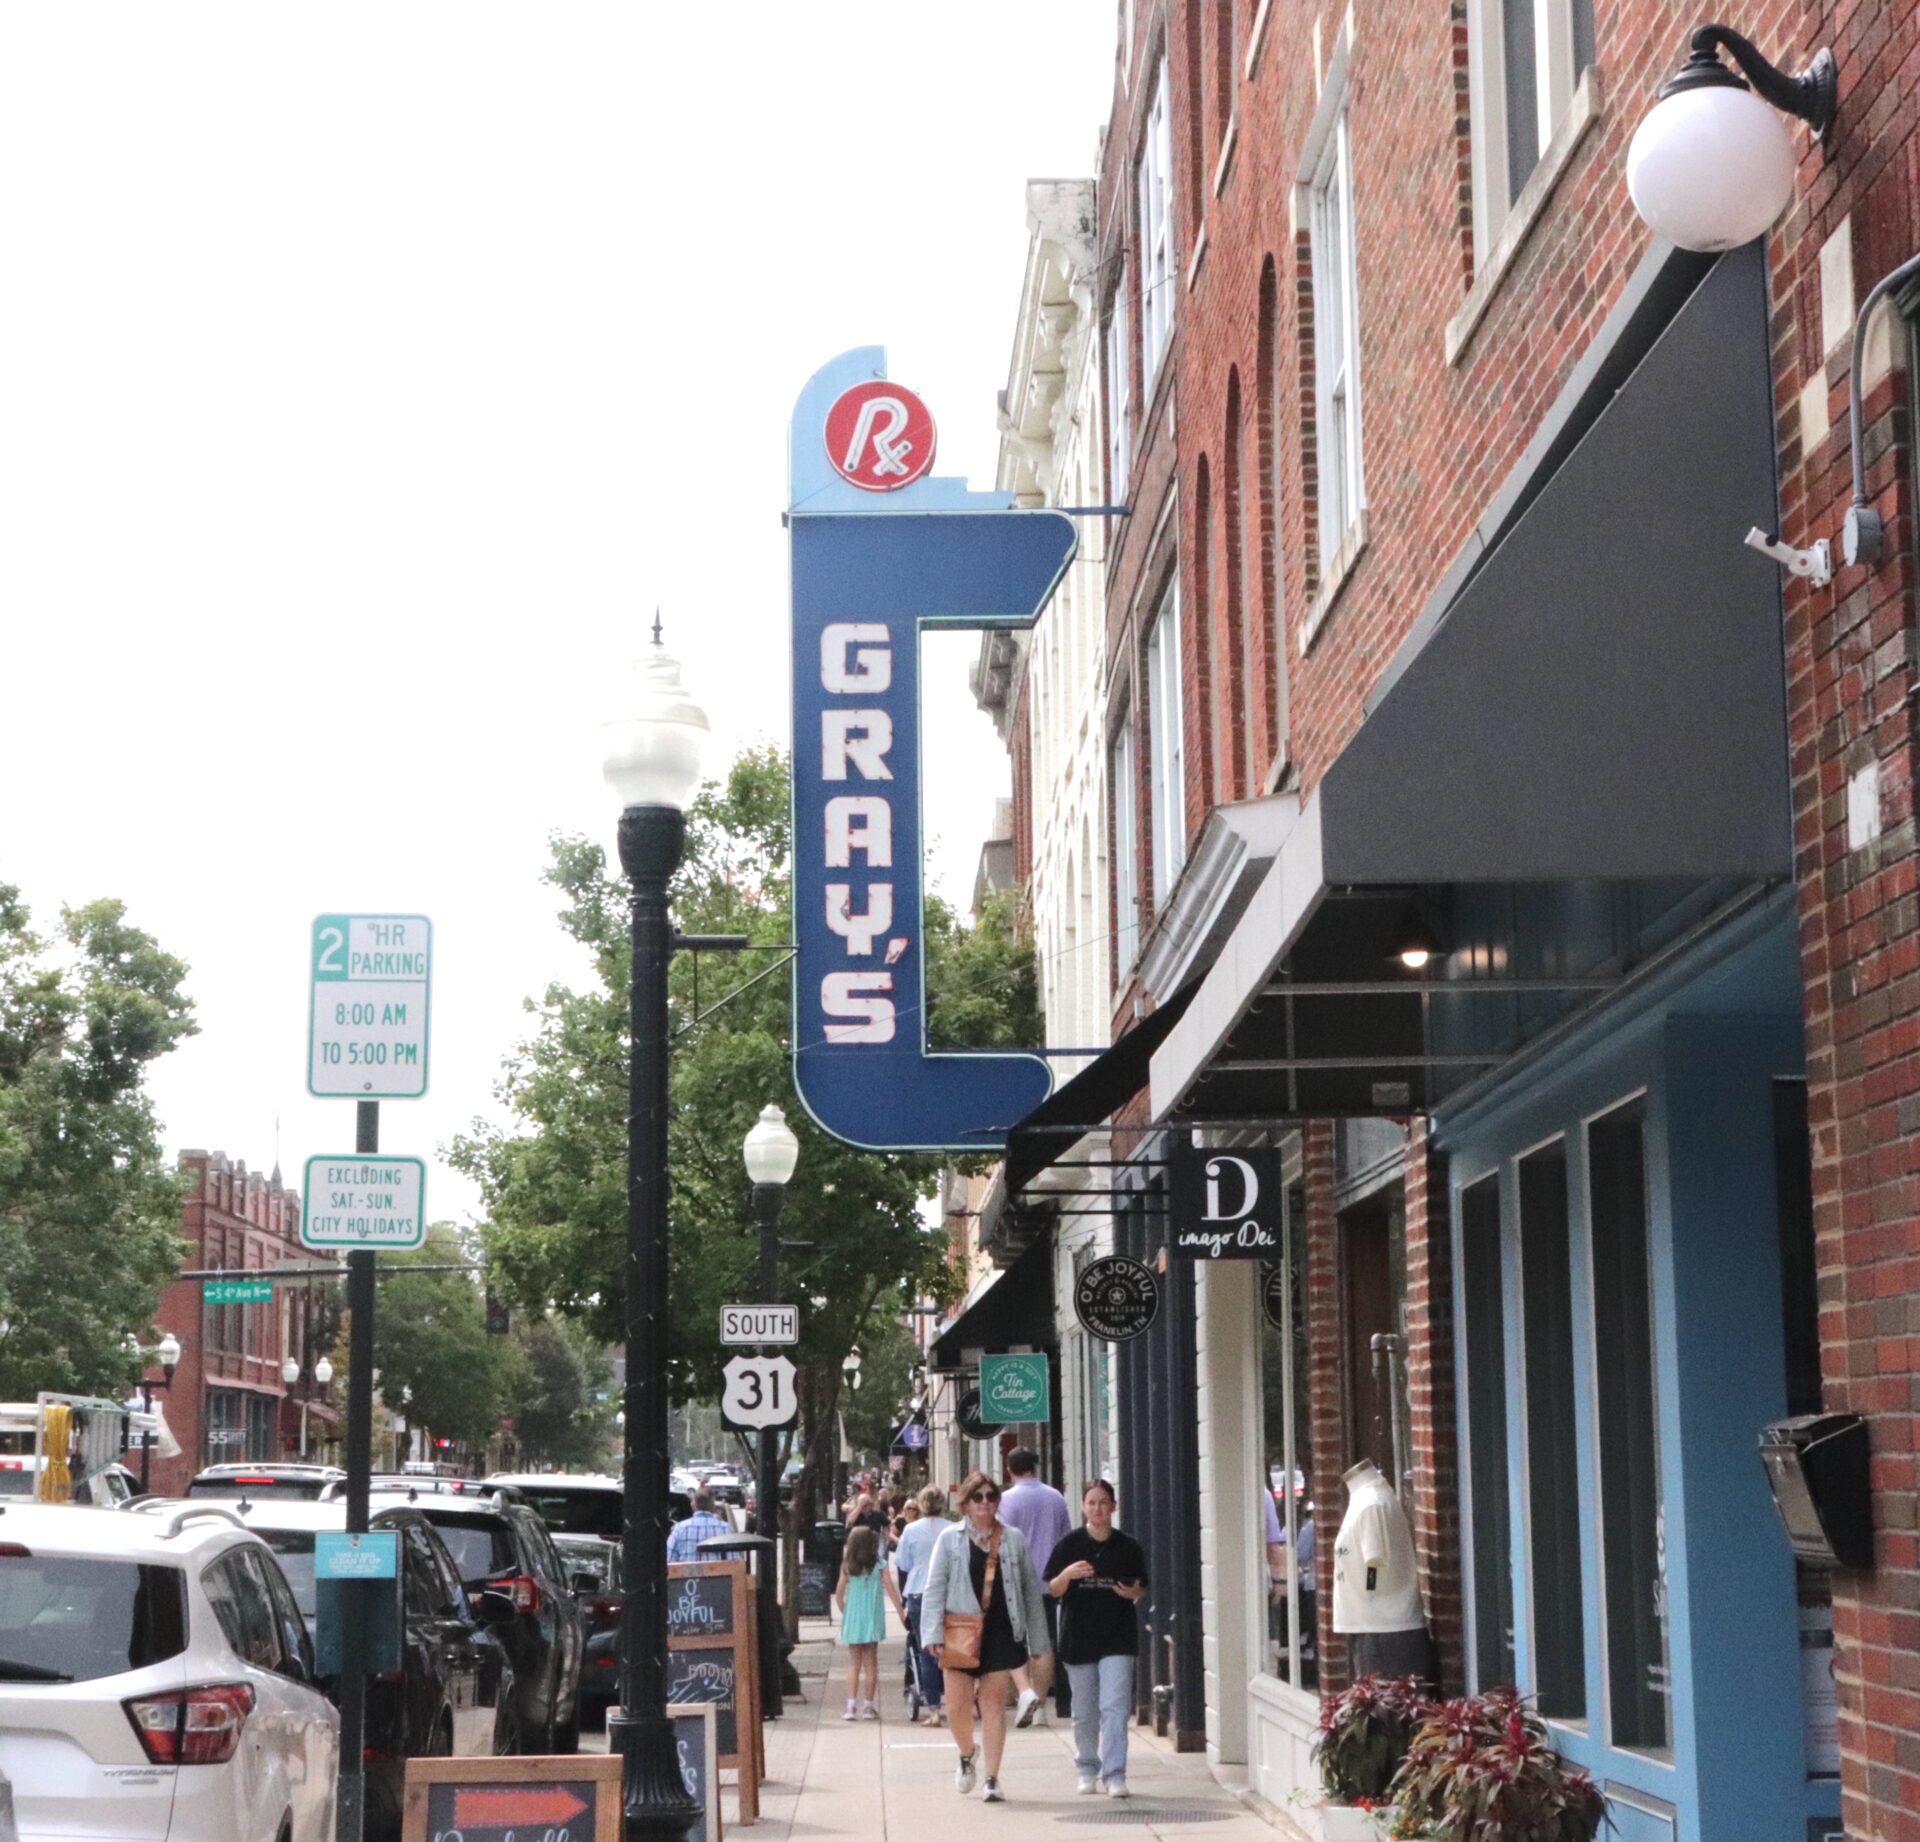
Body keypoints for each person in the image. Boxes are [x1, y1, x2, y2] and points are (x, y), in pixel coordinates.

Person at [922, 1469, 1051, 1803]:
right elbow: (934, 1588)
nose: (984, 1503)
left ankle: (992, 1778)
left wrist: (1037, 1643)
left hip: (1000, 1631)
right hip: (960, 1631)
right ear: (965, 1502)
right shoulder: (950, 1539)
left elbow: (1030, 1593)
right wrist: (931, 1633)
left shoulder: (1013, 1539)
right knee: (957, 1707)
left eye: (991, 1496)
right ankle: (967, 1754)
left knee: (993, 1706)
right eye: (977, 1497)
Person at [1047, 1479, 1148, 1799]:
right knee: (1085, 1710)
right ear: (1082, 1507)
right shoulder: (1069, 1545)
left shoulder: (1128, 1546)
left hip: (1117, 1636)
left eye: (1104, 1502)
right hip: (1079, 1636)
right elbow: (1053, 1588)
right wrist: (1068, 1575)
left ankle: (1115, 1773)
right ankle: (1087, 1767)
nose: (1098, 1509)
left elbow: (1141, 1587)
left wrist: (1132, 1592)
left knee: (1115, 1707)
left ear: (1113, 1507)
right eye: (1091, 1503)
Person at [999, 1446, 1072, 1724]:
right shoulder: (1055, 1498)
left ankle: (1018, 1694)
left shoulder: (1006, 1501)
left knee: (1013, 1639)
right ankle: (1040, 1704)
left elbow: (1000, 1541)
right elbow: (1065, 1539)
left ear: (1010, 1469)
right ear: (1035, 1466)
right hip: (1049, 1581)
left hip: (1014, 1581)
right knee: (1044, 1643)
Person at [892, 1484, 948, 1724]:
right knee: (951, 1647)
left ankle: (933, 1705)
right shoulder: (953, 1529)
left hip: (918, 1592)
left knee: (926, 1648)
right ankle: (957, 1696)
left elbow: (903, 1562)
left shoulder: (911, 1531)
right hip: (947, 1592)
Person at [836, 1524, 904, 1720]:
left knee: (853, 1664)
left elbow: (839, 1596)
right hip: (872, 1618)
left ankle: (850, 1707)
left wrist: (847, 1612)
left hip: (854, 1619)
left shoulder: (847, 1567)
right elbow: (891, 1589)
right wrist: (900, 1611)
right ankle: (868, 1706)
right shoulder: (880, 1565)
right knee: (871, 1663)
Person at [667, 1488, 733, 1564]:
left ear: (693, 1505)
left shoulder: (679, 1529)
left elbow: (669, 1562)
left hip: (688, 1575)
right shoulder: (726, 1529)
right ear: (713, 1505)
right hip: (719, 1575)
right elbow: (734, 1563)